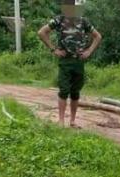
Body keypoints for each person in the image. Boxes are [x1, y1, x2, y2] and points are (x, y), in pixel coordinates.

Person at [38, 0, 102, 128]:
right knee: (64, 90)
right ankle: (61, 122)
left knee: (75, 92)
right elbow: (41, 32)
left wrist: (89, 51)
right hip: (65, 61)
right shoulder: (59, 19)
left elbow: (98, 36)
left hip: (79, 61)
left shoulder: (83, 21)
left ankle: (72, 121)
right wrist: (53, 49)